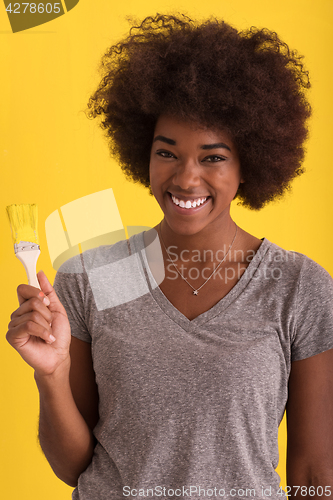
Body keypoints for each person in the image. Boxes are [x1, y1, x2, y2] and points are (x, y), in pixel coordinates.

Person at [6, 13, 333, 500]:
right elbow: (74, 466)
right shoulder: (92, 278)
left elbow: (313, 471)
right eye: (167, 153)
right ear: (143, 153)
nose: (185, 178)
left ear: (250, 164)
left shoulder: (296, 287)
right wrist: (50, 375)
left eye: (213, 157)